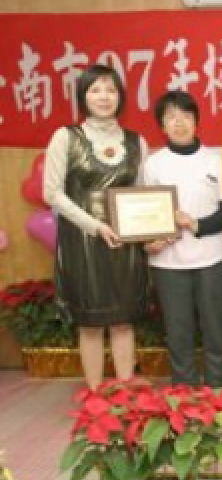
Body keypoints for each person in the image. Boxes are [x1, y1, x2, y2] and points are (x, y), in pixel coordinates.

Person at [43, 64, 148, 389]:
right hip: (83, 241)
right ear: (83, 97)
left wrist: (151, 232)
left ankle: (127, 394)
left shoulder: (137, 141)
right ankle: (95, 395)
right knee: (90, 323)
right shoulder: (66, 137)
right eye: (95, 90)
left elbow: (144, 194)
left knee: (123, 320)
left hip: (125, 242)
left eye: (111, 90)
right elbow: (52, 193)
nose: (104, 97)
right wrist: (95, 226)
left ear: (121, 97)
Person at [142, 90, 222, 387]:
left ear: (196, 121)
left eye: (186, 116)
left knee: (215, 328)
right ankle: (184, 393)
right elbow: (144, 212)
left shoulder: (215, 161)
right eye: (171, 117)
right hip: (168, 261)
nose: (179, 123)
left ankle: (218, 389)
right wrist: (150, 240)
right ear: (162, 125)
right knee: (178, 331)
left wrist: (194, 224)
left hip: (213, 257)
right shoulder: (153, 164)